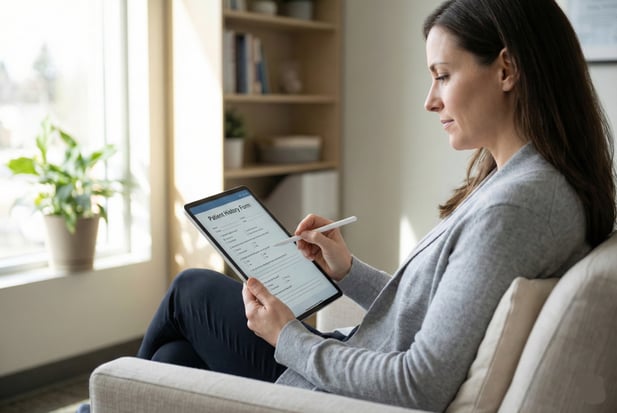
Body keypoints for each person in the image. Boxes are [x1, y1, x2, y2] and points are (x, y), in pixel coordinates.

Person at [104, 1, 617, 412]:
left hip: (341, 392)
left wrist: (289, 338)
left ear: (506, 69)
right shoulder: (525, 183)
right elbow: (429, 314)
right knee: (172, 360)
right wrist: (347, 271)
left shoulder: (518, 207)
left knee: (189, 290)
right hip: (352, 360)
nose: (430, 100)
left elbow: (421, 383)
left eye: (442, 75)